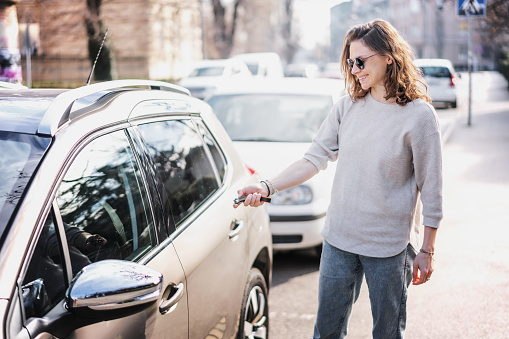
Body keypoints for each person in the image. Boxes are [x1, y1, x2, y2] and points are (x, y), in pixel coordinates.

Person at [234, 19, 442, 339]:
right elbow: (313, 159)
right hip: (339, 240)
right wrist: (265, 186)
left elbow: (432, 187)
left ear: (389, 56)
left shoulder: (419, 115)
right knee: (327, 332)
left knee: (387, 333)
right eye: (349, 61)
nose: (355, 68)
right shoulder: (347, 107)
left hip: (389, 247)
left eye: (361, 60)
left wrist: (427, 249)